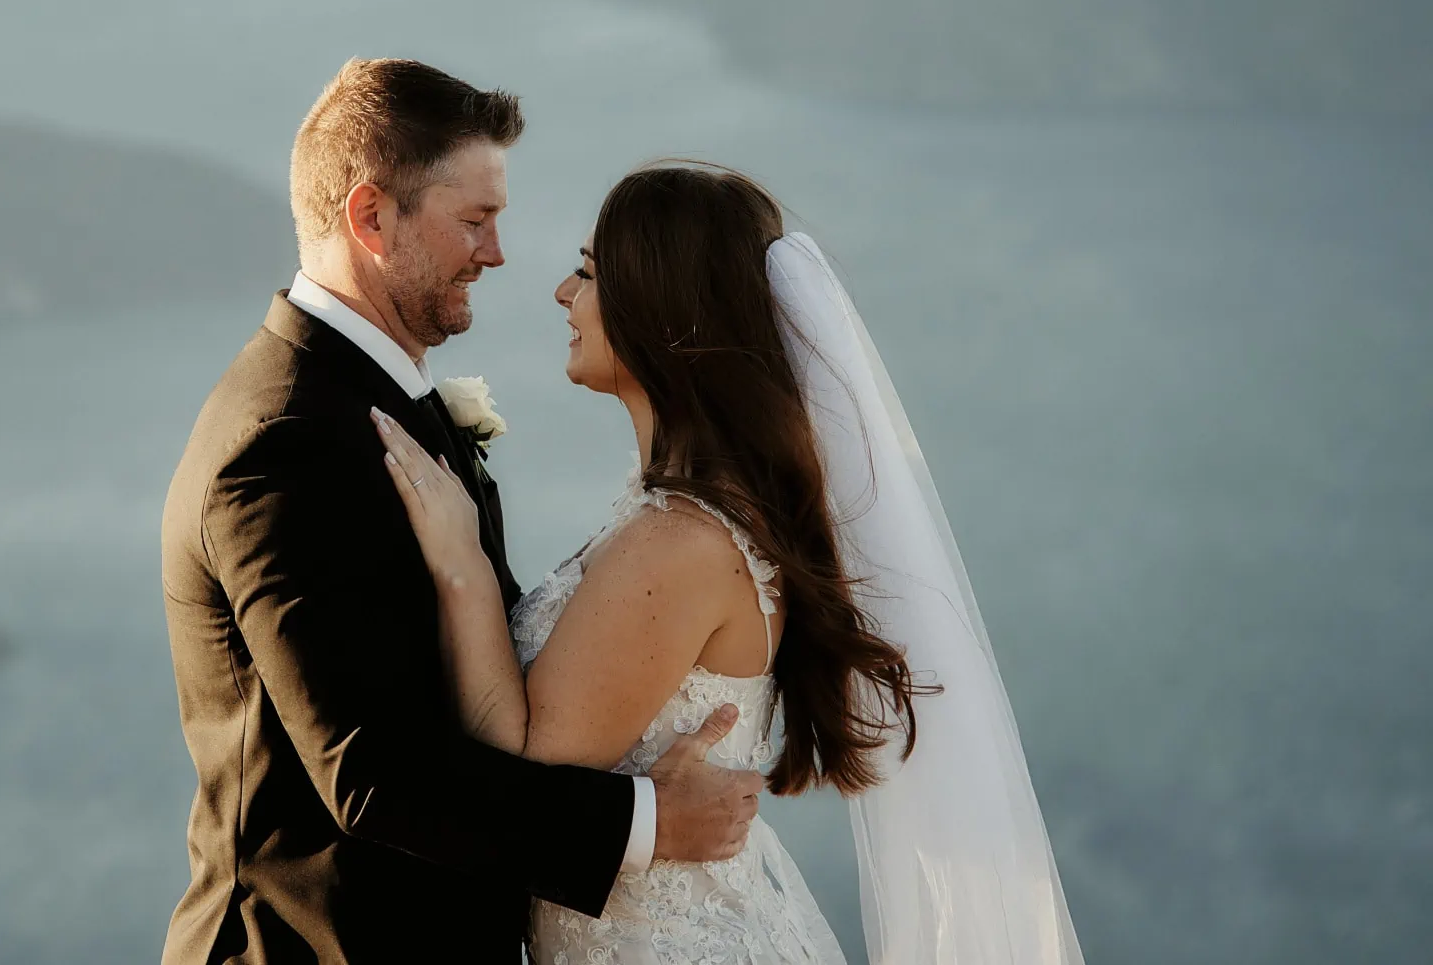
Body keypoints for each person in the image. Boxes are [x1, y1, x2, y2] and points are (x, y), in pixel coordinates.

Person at [371, 161, 1086, 964]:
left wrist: (462, 568)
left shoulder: (682, 541)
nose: (563, 294)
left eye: (589, 272)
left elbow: (524, 778)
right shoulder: (692, 515)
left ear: (662, 308)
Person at [160, 61, 764, 965]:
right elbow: (370, 775)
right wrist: (646, 820)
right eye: (474, 220)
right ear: (371, 218)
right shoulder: (287, 442)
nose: (498, 253)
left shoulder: (384, 403)